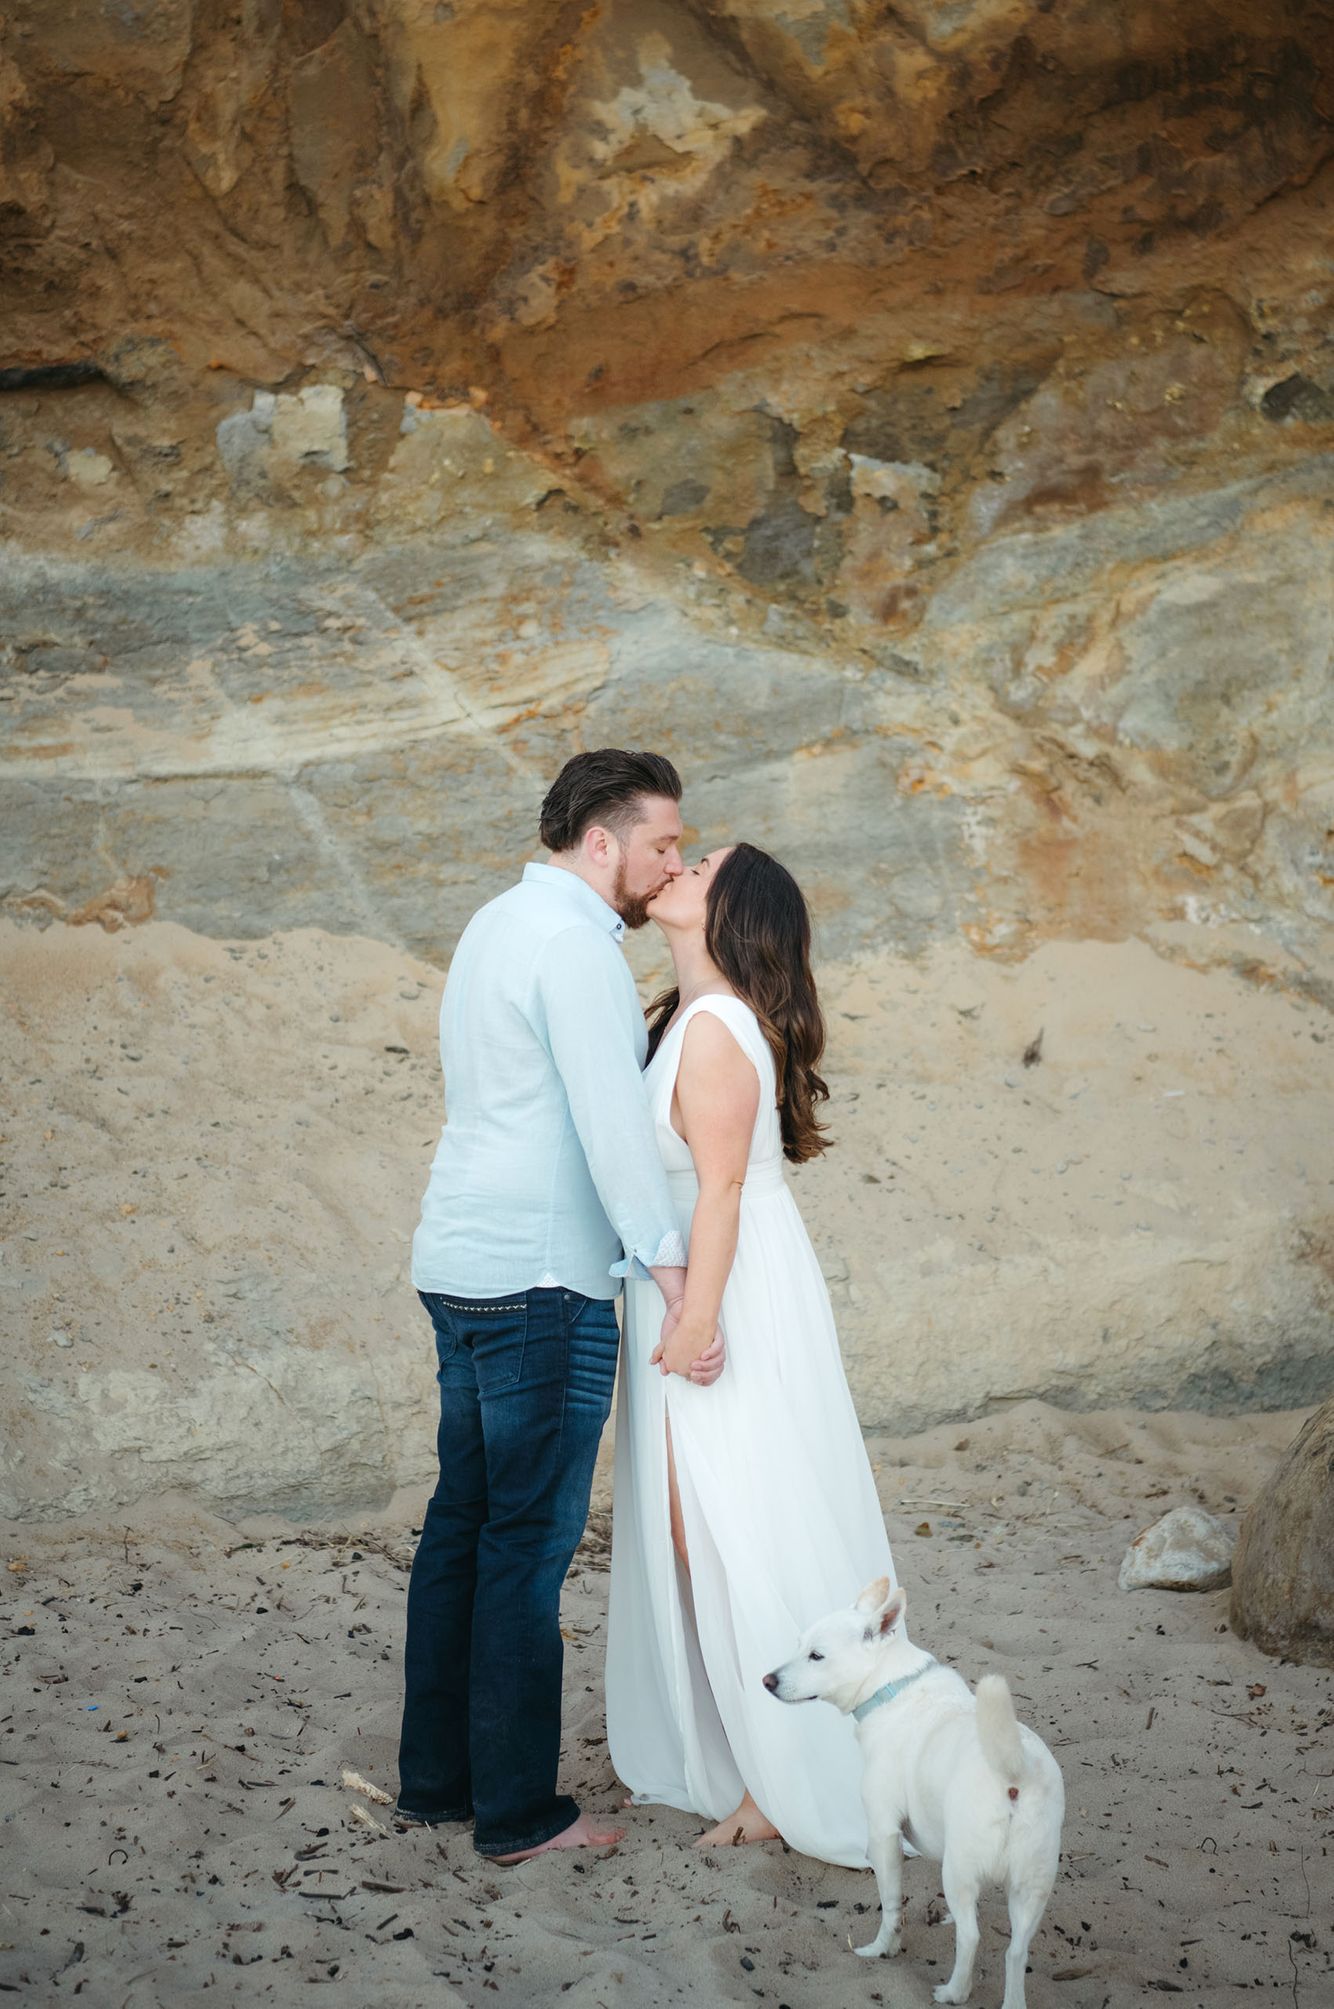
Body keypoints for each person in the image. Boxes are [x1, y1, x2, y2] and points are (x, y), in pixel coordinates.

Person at [397, 750, 724, 1864]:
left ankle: (437, 1782)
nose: (672, 861)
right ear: (602, 841)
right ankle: (518, 1814)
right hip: (541, 1277)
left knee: (462, 1526)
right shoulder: (576, 946)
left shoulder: (496, 921)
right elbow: (608, 1124)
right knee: (525, 1547)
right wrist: (672, 1269)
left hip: (457, 1258)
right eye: (664, 844)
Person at [606, 842, 896, 1865]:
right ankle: (754, 1755)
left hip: (729, 1289)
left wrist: (695, 1319)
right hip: (705, 1280)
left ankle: (783, 1781)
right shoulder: (688, 1020)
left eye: (705, 864)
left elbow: (721, 1189)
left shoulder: (718, 1028)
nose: (679, 866)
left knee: (732, 1524)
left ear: (734, 911)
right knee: (705, 1528)